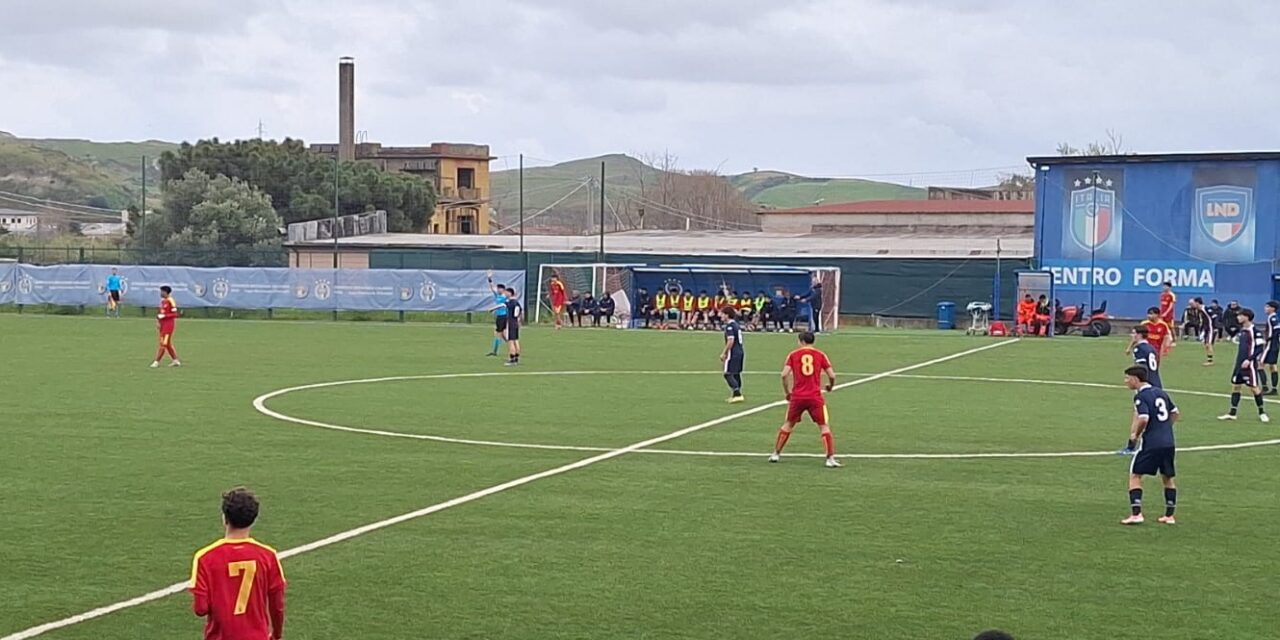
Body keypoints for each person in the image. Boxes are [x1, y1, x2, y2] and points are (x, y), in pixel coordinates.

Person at [190, 487, 286, 640]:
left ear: (225, 518)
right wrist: (276, 635)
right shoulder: (268, 555)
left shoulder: (205, 557)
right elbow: (277, 606)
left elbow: (200, 609)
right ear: (253, 519)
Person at [1120, 366, 1180, 525]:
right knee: (1168, 477)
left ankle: (1136, 514)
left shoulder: (1141, 396)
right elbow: (1175, 413)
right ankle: (1169, 515)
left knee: (1135, 475)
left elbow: (1144, 417)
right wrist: (1165, 428)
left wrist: (1136, 434)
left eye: (1127, 378)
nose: (1126, 382)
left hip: (1152, 443)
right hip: (1169, 442)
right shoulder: (1161, 392)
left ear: (1135, 378)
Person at [770, 332, 840, 468]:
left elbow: (784, 375)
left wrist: (787, 392)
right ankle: (830, 458)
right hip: (815, 396)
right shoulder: (820, 355)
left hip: (797, 396)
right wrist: (830, 386)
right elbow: (832, 375)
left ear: (801, 341)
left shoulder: (793, 355)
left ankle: (775, 454)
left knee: (788, 424)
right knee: (824, 426)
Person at [1218, 308, 1270, 423]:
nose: (1238, 317)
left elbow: (1260, 348)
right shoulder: (1242, 331)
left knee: (1254, 388)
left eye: (1240, 315)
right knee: (1236, 386)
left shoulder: (1255, 331)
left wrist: (1249, 360)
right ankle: (1232, 413)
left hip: (1249, 365)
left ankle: (1262, 413)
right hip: (1239, 364)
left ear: (1247, 317)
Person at [150, 285, 181, 368]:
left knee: (163, 343)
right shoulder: (163, 301)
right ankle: (175, 360)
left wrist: (164, 316)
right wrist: (158, 322)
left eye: (161, 291)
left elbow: (175, 314)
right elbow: (161, 313)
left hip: (169, 326)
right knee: (167, 344)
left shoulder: (171, 301)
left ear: (165, 292)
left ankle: (156, 362)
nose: (160, 293)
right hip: (163, 325)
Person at [719, 307, 745, 403]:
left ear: (727, 315)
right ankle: (737, 395)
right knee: (736, 373)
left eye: (722, 314)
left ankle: (737, 393)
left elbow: (731, 340)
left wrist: (724, 352)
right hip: (740, 351)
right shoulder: (736, 325)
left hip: (733, 352)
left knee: (728, 373)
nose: (720, 316)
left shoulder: (730, 326)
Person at [486, 273, 509, 356]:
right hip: (499, 316)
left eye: (500, 289)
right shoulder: (497, 295)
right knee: (502, 334)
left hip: (503, 316)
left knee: (497, 333)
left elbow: (504, 305)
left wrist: (493, 309)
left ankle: (495, 351)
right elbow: (492, 288)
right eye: (498, 288)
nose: (498, 290)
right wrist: (489, 278)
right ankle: (511, 346)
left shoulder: (504, 297)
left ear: (503, 290)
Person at [1188, 297, 1215, 366]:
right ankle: (1209, 358)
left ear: (1197, 303)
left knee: (1208, 344)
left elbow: (1213, 317)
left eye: (1193, 303)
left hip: (1210, 328)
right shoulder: (1198, 310)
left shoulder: (1205, 309)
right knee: (1206, 344)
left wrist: (1215, 326)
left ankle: (1210, 361)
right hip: (1205, 329)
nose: (1192, 305)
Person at [1263, 300, 1280, 394]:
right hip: (1274, 344)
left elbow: (1277, 329)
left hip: (1271, 345)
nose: (1265, 309)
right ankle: (1273, 389)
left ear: (1272, 308)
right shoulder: (1272, 317)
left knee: (1260, 364)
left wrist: (1269, 338)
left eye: (1267, 307)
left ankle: (1265, 387)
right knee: (1272, 366)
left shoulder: (1272, 318)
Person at [502, 287, 522, 366]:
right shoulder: (517, 302)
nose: (505, 294)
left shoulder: (510, 303)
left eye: (506, 292)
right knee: (516, 340)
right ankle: (516, 358)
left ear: (510, 293)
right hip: (516, 322)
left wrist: (492, 309)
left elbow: (502, 305)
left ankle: (512, 359)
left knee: (510, 341)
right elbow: (519, 312)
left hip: (511, 322)